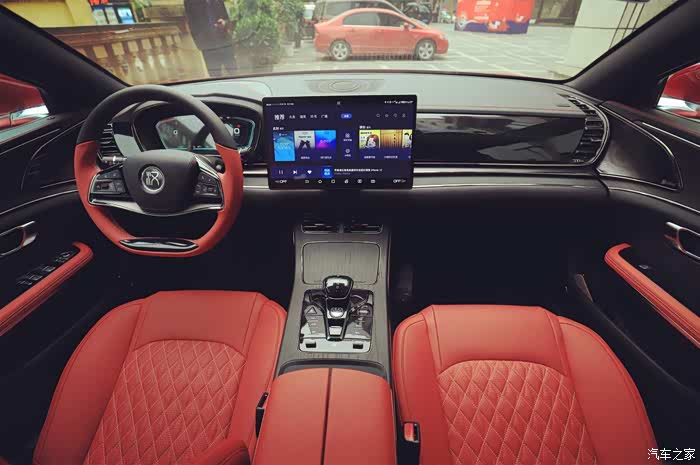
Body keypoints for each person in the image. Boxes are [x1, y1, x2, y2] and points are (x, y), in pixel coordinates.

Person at [184, 0, 236, 78]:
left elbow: (226, 18)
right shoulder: (190, 1)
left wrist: (224, 23)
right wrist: (200, 45)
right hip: (208, 46)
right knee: (215, 76)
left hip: (224, 42)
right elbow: (192, 24)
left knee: (234, 73)